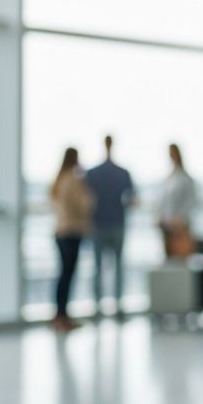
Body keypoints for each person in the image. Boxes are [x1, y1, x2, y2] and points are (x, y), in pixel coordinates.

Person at [85, 134, 137, 316]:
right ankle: (118, 306)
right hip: (115, 224)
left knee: (99, 268)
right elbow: (132, 199)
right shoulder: (122, 173)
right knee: (118, 267)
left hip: (99, 225)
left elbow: (85, 200)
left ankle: (98, 307)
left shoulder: (92, 174)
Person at [49, 147, 94, 332]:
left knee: (63, 275)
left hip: (61, 231)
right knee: (67, 275)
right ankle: (62, 317)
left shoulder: (59, 179)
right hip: (71, 232)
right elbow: (83, 205)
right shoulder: (73, 180)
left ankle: (60, 316)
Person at [159, 142, 197, 259]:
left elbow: (191, 201)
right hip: (167, 225)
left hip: (181, 227)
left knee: (181, 260)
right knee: (168, 259)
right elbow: (163, 203)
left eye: (172, 154)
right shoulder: (169, 178)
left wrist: (180, 218)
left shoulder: (186, 179)